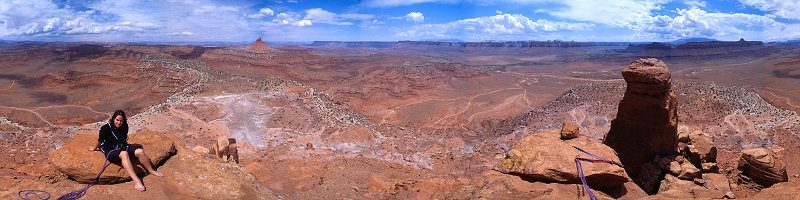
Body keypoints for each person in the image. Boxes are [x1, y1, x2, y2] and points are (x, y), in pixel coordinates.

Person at [87, 110, 163, 191]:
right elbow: (100, 140)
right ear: (113, 119)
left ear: (124, 120)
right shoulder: (105, 128)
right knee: (124, 154)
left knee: (140, 151)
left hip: (122, 146)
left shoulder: (125, 126)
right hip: (110, 150)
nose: (119, 123)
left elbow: (123, 139)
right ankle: (137, 181)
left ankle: (151, 170)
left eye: (121, 121)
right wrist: (95, 148)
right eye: (117, 120)